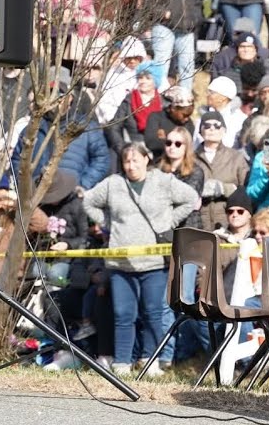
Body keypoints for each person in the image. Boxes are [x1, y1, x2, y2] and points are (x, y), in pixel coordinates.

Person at [82, 142, 198, 377]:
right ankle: (123, 362)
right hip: (121, 263)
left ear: (147, 159)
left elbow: (191, 199)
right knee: (123, 314)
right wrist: (108, 223)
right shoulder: (114, 183)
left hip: (154, 262)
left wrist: (169, 222)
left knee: (153, 313)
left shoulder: (163, 181)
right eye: (127, 161)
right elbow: (88, 201)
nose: (131, 166)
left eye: (136, 160)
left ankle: (150, 359)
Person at [194, 111, 249, 231]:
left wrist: (226, 189)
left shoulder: (236, 157)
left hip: (229, 222)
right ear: (200, 131)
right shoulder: (190, 159)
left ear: (224, 130)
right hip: (198, 223)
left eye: (217, 125)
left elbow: (246, 190)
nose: (212, 129)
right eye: (207, 126)